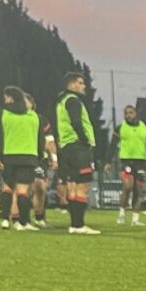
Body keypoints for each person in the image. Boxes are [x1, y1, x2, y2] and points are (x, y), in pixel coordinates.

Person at [50, 71, 101, 234]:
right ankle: (79, 225)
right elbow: (76, 121)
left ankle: (74, 225)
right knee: (83, 186)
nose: (84, 86)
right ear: (72, 84)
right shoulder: (73, 100)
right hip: (78, 148)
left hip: (67, 148)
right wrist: (85, 140)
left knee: (72, 187)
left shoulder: (61, 101)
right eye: (81, 83)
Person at [0, 85, 43, 229]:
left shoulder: (4, 114)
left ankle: (5, 219)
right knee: (23, 191)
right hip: (28, 157)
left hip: (9, 156)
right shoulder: (33, 116)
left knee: (7, 188)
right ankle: (23, 222)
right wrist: (39, 156)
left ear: (10, 98)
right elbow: (40, 139)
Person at [115, 100, 146, 226]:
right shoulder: (120, 127)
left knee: (138, 190)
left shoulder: (144, 127)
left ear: (135, 114)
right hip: (126, 160)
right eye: (126, 113)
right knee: (127, 186)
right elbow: (112, 144)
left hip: (141, 162)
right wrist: (107, 161)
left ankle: (135, 219)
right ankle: (121, 214)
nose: (128, 115)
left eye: (131, 112)